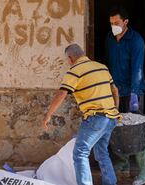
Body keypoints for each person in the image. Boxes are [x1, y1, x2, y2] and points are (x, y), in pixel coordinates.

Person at [43, 43, 121, 185]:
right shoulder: (101, 67)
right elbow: (115, 90)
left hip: (96, 118)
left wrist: (48, 115)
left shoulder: (74, 70)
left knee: (80, 153)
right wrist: (114, 111)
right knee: (102, 153)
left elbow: (61, 93)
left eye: (67, 60)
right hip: (110, 118)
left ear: (70, 58)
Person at [105, 6, 145, 185]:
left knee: (137, 131)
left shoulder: (136, 41)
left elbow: (137, 69)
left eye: (116, 23)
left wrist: (134, 94)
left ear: (125, 22)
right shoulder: (109, 39)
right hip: (114, 91)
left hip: (133, 92)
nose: (113, 26)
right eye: (111, 23)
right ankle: (123, 163)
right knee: (117, 128)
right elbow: (108, 63)